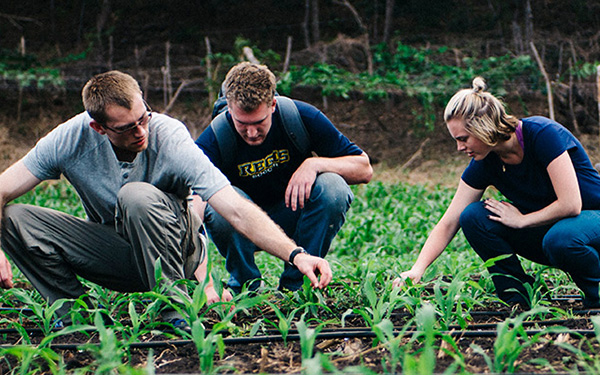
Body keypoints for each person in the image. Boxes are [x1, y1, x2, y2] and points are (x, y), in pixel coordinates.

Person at [0, 70, 332, 326]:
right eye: (127, 128)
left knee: (136, 196)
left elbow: (232, 206)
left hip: (177, 252)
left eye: (143, 118)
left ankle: (174, 307)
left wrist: (296, 255)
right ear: (99, 128)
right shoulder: (69, 139)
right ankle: (75, 316)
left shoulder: (169, 135)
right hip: (118, 253)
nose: (141, 131)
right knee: (12, 218)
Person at [394, 77, 600, 308]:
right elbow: (450, 221)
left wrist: (522, 220)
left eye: (463, 139)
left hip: (592, 220)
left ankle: (596, 294)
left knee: (562, 238)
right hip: (555, 230)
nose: (460, 148)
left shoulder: (542, 134)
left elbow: (571, 204)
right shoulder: (486, 161)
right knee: (474, 217)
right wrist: (417, 269)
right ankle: (521, 297)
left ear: (483, 127)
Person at [195, 62, 372, 293]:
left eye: (259, 123)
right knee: (216, 201)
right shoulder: (214, 138)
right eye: (242, 124)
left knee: (333, 187)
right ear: (229, 108)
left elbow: (364, 168)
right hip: (243, 223)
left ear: (273, 105)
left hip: (294, 214)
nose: (251, 133)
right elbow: (192, 208)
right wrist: (205, 283)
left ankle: (297, 285)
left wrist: (314, 164)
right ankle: (245, 287)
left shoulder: (300, 116)